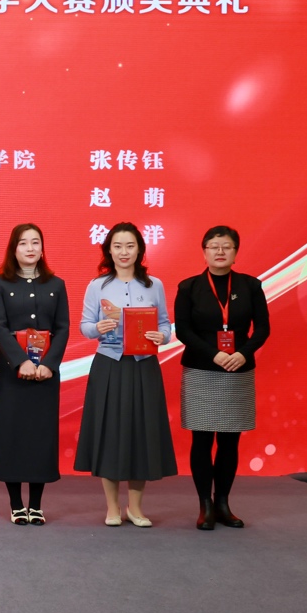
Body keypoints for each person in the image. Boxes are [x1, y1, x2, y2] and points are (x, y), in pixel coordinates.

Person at [74, 221, 177, 527]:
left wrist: (162, 335)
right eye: (117, 246)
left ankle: (135, 508)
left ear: (139, 250)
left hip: (144, 365)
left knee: (141, 433)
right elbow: (84, 326)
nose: (124, 252)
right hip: (110, 365)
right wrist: (97, 327)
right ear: (109, 250)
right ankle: (112, 508)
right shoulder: (98, 286)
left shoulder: (154, 285)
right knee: (109, 433)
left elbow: (165, 323)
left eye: (130, 246)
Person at [174, 225, 271, 530]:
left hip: (238, 370)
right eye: (213, 246)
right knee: (202, 440)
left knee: (230, 441)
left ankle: (223, 503)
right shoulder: (188, 287)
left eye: (226, 246)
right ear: (204, 252)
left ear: (235, 252)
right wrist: (214, 354)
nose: (220, 251)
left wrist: (243, 352)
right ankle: (205, 505)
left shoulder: (251, 286)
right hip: (201, 370)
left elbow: (263, 328)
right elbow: (183, 330)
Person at [0, 223, 70, 526]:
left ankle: (36, 505)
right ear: (14, 248)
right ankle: (16, 504)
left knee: (39, 436)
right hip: (12, 373)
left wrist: (49, 363)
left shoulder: (56, 284)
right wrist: (20, 361)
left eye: (36, 242)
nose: (30, 248)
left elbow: (63, 327)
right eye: (23, 243)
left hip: (46, 373)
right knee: (12, 434)